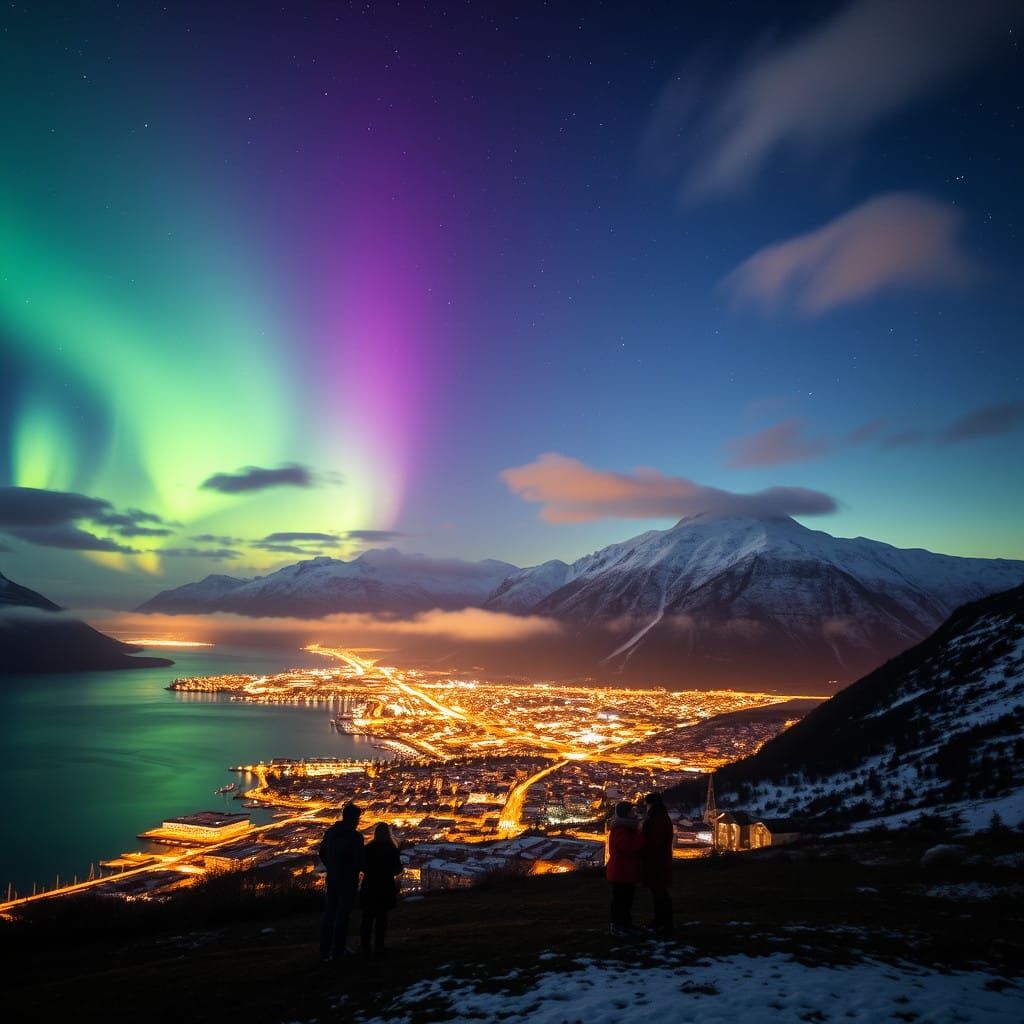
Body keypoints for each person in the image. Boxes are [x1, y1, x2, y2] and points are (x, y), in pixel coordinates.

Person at [318, 802, 365, 962]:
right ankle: (338, 950)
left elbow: (322, 852)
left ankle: (324, 949)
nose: (358, 821)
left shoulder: (330, 832)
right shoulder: (355, 837)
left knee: (329, 913)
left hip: (333, 878)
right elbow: (359, 860)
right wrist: (356, 870)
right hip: (348, 880)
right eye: (358, 818)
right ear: (353, 818)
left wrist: (331, 867)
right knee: (342, 915)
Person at [359, 822, 404, 956]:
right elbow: (397, 869)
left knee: (367, 919)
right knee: (381, 919)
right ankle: (379, 947)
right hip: (385, 886)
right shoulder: (391, 849)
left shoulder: (368, 848)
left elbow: (362, 866)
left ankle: (364, 947)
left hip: (369, 886)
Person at [605, 800, 644, 936]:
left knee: (626, 900)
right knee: (621, 900)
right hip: (621, 871)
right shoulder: (622, 829)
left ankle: (625, 924)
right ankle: (617, 925)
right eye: (632, 811)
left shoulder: (624, 827)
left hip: (624, 870)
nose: (635, 813)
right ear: (626, 813)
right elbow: (630, 848)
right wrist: (640, 834)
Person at [640, 791, 674, 938]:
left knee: (659, 893)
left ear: (651, 804)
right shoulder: (662, 817)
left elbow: (654, 841)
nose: (646, 807)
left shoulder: (656, 819)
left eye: (646, 804)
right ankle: (662, 921)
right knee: (660, 893)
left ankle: (663, 922)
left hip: (657, 861)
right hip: (660, 860)